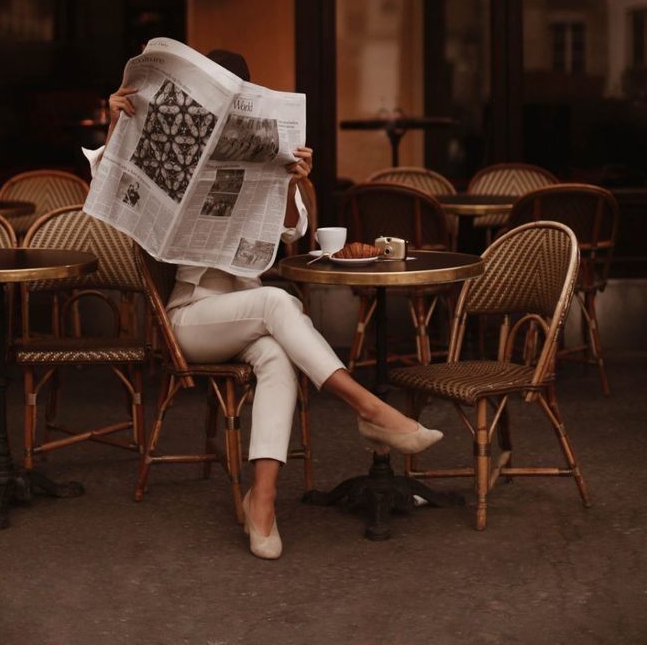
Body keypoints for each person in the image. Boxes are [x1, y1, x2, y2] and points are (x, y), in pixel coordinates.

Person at [102, 48, 443, 560]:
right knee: (278, 303)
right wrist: (115, 125)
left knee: (279, 352)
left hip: (249, 313)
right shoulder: (171, 140)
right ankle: (368, 407)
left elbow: (291, 234)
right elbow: (112, 195)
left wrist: (295, 178)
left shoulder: (253, 144)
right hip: (191, 317)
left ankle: (261, 502)